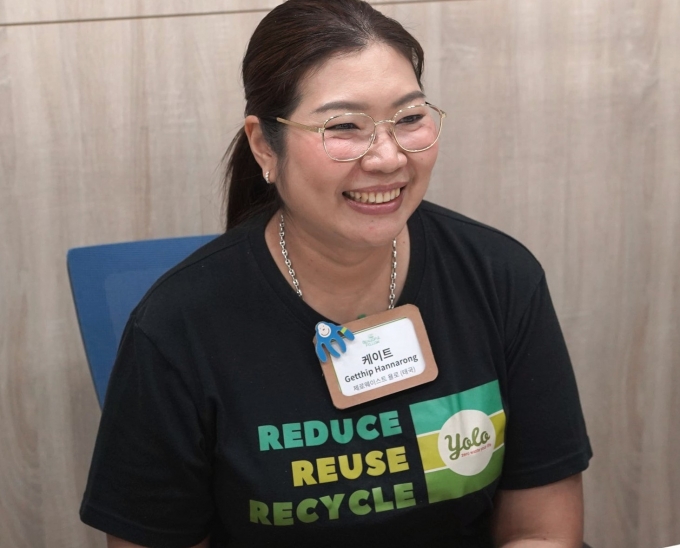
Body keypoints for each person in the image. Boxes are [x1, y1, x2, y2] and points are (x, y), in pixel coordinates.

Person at [80, 1, 592, 546]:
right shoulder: (177, 326)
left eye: (410, 118)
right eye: (344, 126)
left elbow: (542, 531)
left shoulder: (500, 278)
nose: (388, 157)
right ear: (264, 144)